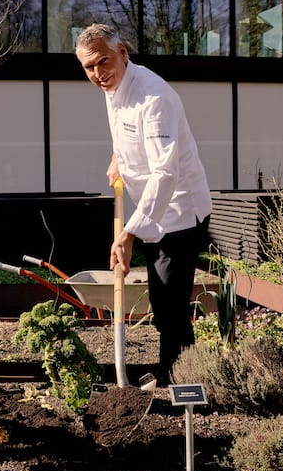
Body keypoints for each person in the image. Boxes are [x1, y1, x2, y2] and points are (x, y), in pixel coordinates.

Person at [75, 23, 212, 385]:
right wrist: (119, 156)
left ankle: (183, 382)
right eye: (89, 67)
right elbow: (126, 130)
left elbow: (165, 172)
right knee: (162, 299)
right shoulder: (114, 86)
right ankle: (174, 373)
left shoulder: (153, 97)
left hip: (180, 212)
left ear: (123, 53)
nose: (98, 74)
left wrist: (129, 232)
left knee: (169, 306)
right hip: (153, 210)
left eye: (103, 62)